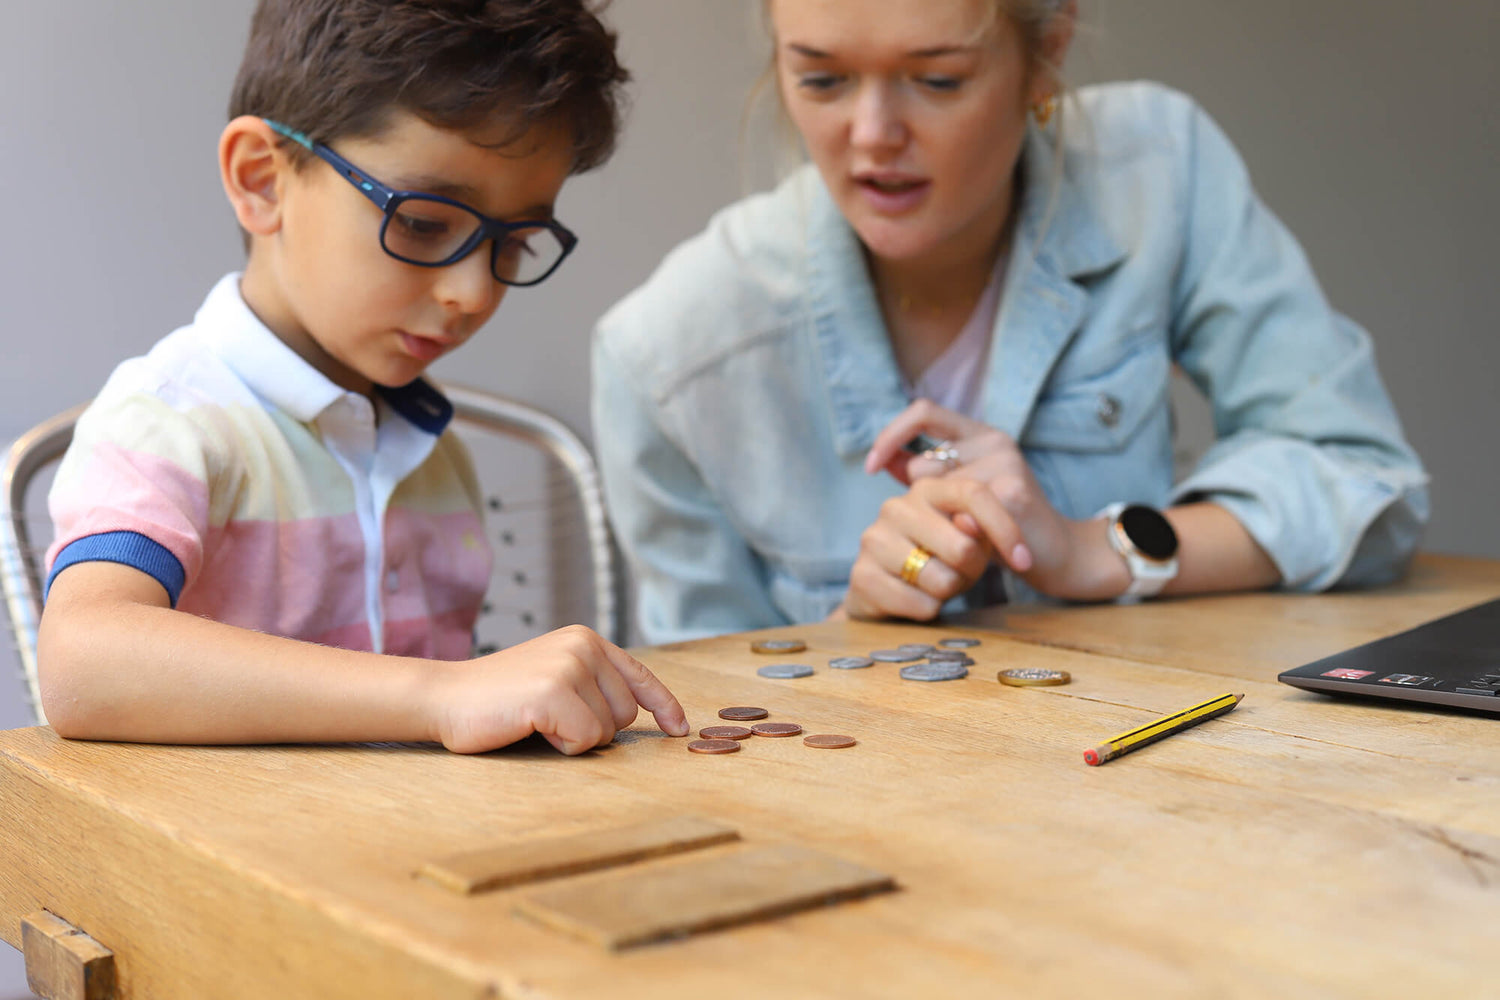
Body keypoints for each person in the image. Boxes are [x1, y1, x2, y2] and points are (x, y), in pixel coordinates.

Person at [591, 0, 1429, 644]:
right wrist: (855, 628)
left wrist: (1091, 551)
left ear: (1047, 54)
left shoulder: (1158, 170)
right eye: (821, 79)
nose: (874, 135)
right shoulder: (667, 359)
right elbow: (705, 732)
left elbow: (1365, 483)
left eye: (939, 79)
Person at [38, 0, 688, 755]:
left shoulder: (432, 453)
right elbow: (83, 662)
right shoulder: (169, 422)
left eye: (515, 242)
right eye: (422, 221)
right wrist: (445, 692)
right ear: (263, 181)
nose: (474, 294)